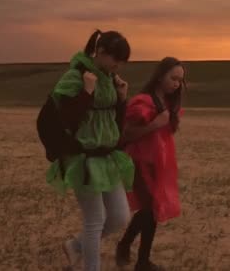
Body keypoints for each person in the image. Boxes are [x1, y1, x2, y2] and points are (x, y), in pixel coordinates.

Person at [45, 29, 134, 271]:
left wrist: (122, 99)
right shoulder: (75, 76)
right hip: (81, 158)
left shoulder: (109, 80)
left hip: (106, 158)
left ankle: (75, 246)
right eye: (116, 60)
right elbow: (66, 119)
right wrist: (86, 92)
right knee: (95, 220)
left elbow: (114, 124)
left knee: (119, 217)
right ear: (101, 52)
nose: (118, 66)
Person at [115, 57, 186, 271]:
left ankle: (138, 257)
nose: (176, 83)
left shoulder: (169, 103)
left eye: (180, 80)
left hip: (158, 163)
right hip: (139, 162)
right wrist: (155, 124)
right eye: (173, 78)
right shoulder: (143, 101)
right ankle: (134, 254)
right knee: (149, 209)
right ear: (160, 75)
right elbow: (126, 133)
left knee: (152, 209)